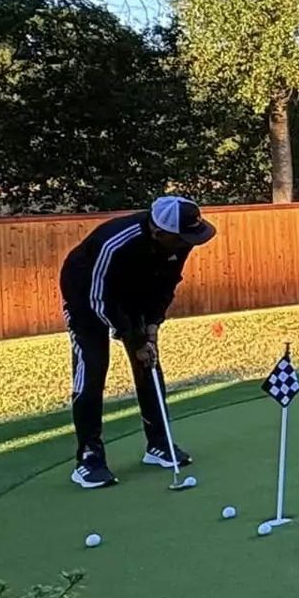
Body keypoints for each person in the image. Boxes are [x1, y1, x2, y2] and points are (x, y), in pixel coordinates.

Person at [59, 196, 218, 489]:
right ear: (159, 232)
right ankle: (88, 459)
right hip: (87, 297)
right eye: (182, 237)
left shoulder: (178, 241)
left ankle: (158, 444)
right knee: (92, 371)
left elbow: (167, 283)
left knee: (149, 365)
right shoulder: (115, 243)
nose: (189, 243)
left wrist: (153, 325)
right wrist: (132, 336)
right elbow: (99, 299)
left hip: (136, 294)